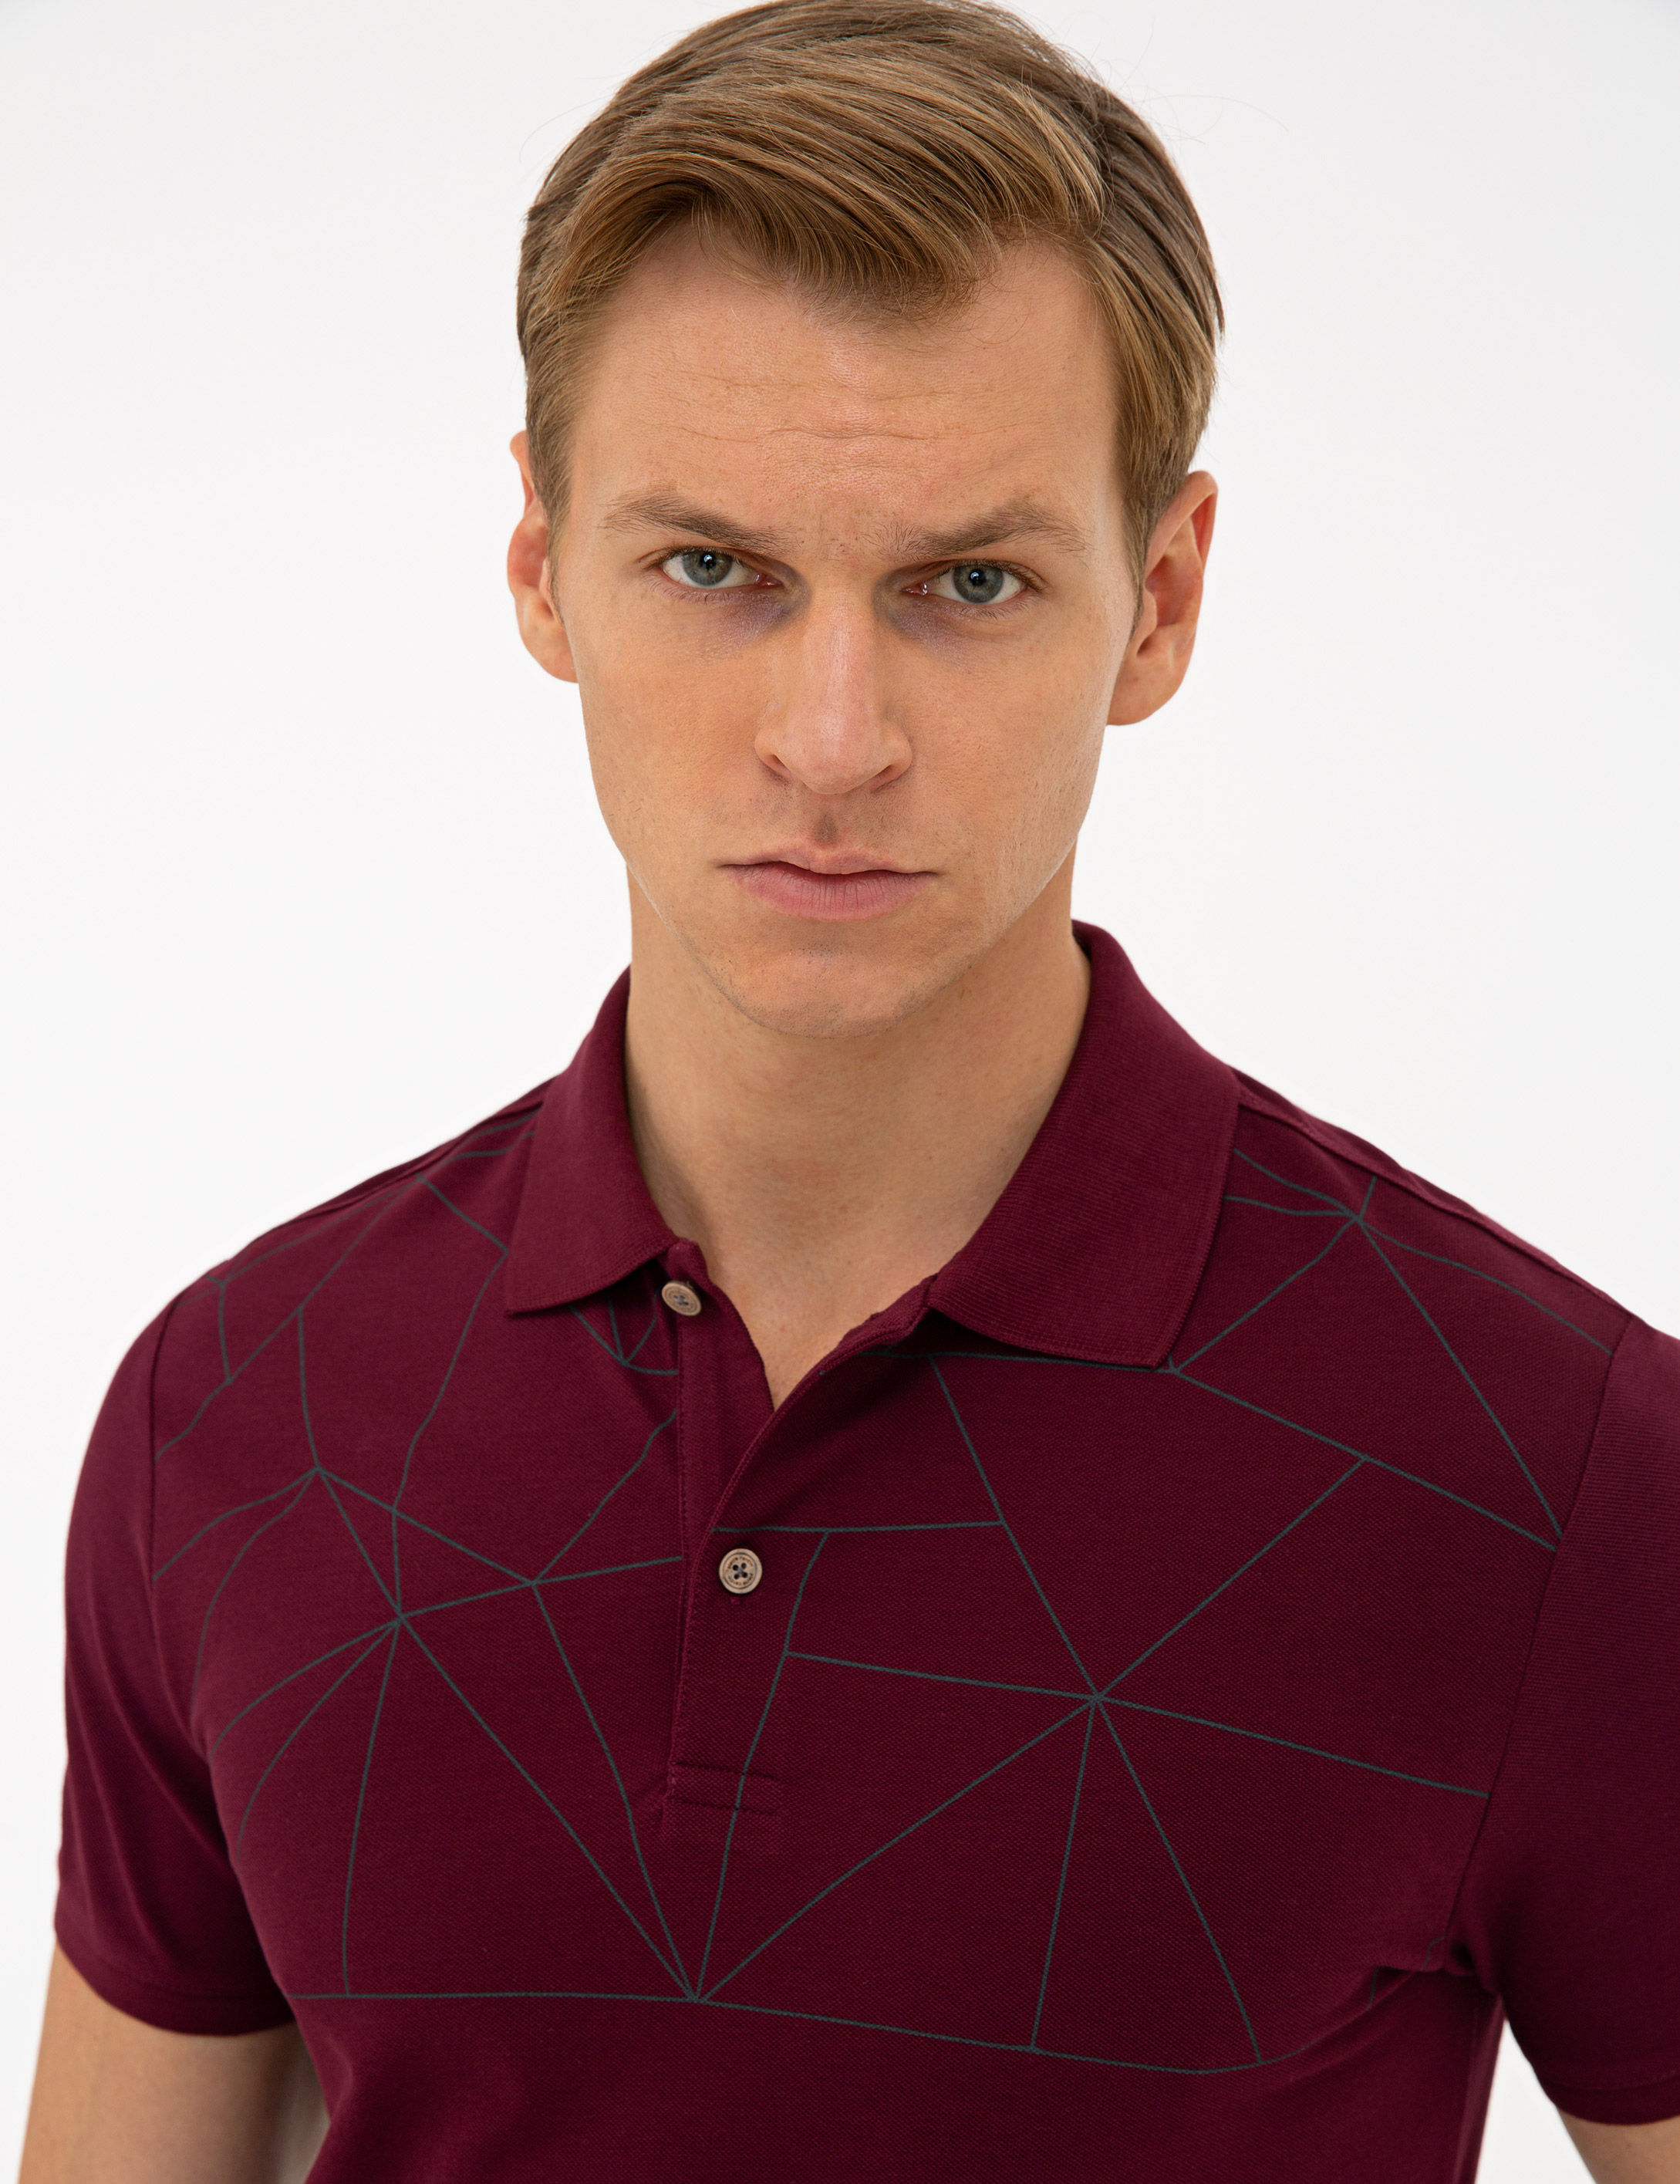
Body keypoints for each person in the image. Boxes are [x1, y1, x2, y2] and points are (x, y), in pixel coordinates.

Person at [19, 2, 1679, 2177]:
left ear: (1160, 604)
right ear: (539, 566)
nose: (830, 738)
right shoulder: (237, 1412)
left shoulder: (1569, 1480)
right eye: (713, 568)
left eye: (966, 583)